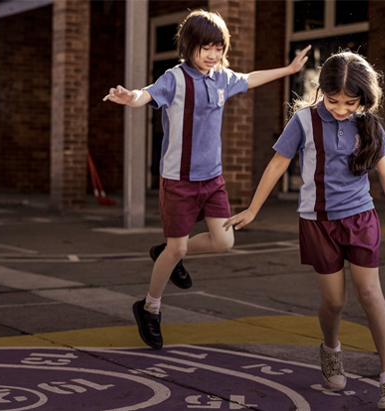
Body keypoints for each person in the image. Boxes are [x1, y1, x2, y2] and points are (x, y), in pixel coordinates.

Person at [223, 51, 385, 409]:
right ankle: (331, 348)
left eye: (351, 102)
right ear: (322, 92)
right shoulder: (302, 122)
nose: (341, 108)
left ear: (364, 98)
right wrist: (253, 209)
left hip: (361, 219)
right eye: (333, 100)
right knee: (334, 301)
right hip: (317, 223)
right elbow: (276, 165)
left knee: (370, 294)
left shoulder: (370, 124)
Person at [103, 10, 310, 351]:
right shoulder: (175, 78)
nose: (212, 55)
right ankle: (150, 308)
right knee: (178, 246)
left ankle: (167, 254)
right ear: (189, 47)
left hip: (212, 179)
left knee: (223, 242)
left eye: (217, 48)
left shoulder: (221, 78)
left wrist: (288, 71)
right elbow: (145, 94)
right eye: (205, 48)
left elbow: (250, 77)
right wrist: (130, 99)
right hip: (179, 181)